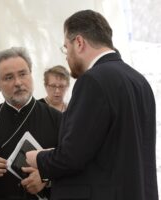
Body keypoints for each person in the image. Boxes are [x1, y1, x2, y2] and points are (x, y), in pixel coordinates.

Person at [26, 9, 158, 200]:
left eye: (66, 47)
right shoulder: (139, 81)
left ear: (79, 42)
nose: (66, 56)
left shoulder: (92, 81)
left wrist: (38, 158)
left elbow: (72, 157)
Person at [0, 47, 62, 200]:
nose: (18, 83)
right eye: (8, 77)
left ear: (31, 75)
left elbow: (74, 165)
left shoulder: (58, 119)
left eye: (23, 74)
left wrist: (46, 179)